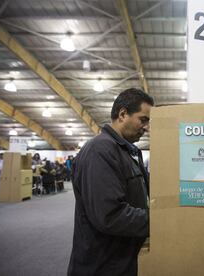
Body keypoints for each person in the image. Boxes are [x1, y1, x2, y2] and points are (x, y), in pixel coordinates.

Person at [68, 88, 153, 276]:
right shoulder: (100, 151)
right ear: (122, 114)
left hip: (120, 259)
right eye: (143, 119)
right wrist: (161, 221)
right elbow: (110, 215)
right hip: (102, 265)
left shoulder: (124, 151)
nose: (146, 127)